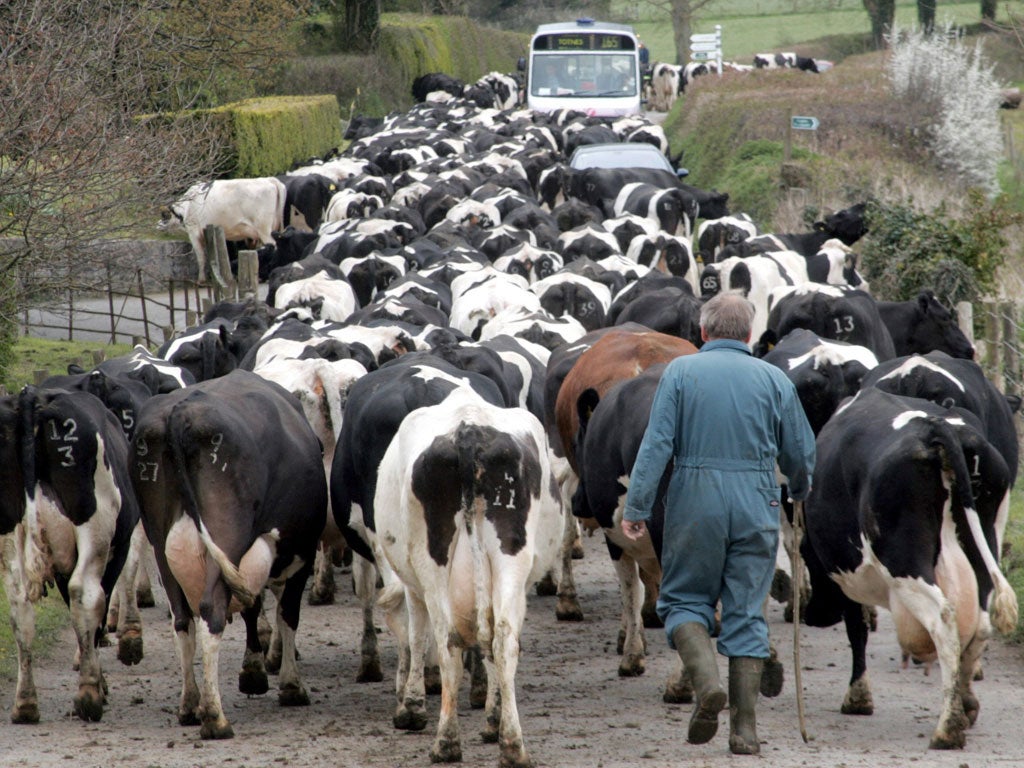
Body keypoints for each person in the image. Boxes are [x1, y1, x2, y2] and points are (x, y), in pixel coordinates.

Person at [620, 292, 815, 756]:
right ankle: (745, 732)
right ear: (749, 335)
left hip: (695, 498)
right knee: (747, 611)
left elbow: (657, 444)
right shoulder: (774, 379)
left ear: (703, 333)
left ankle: (707, 684)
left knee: (684, 599)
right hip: (756, 500)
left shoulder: (680, 373)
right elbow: (801, 453)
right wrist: (800, 489)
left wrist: (637, 505)